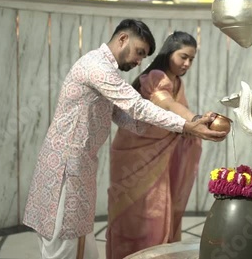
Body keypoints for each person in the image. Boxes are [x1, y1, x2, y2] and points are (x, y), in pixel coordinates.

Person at [22, 20, 227, 259]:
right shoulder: (97, 67)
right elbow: (136, 106)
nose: (140, 61)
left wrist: (183, 129)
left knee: (82, 246)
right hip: (65, 169)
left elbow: (126, 117)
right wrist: (186, 124)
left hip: (79, 167)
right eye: (139, 52)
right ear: (122, 39)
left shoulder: (105, 70)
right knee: (64, 248)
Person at [106, 31, 205, 259]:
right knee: (143, 217)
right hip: (136, 159)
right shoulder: (157, 77)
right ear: (169, 53)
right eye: (183, 57)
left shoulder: (177, 82)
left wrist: (192, 126)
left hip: (162, 159)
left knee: (159, 216)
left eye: (192, 59)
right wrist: (195, 121)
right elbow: (167, 105)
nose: (187, 63)